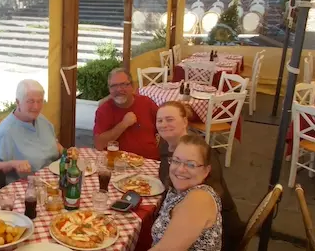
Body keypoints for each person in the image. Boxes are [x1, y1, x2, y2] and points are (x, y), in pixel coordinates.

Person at [156, 101, 245, 251]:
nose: (164, 124)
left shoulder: (199, 197)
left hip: (226, 234)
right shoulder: (167, 145)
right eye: (160, 120)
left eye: (170, 119)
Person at [150, 134, 222, 251]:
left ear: (206, 171)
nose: (180, 169)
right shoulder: (177, 189)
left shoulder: (199, 199)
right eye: (176, 161)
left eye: (190, 164)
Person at [0, 79, 63, 183]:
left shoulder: (42, 120)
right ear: (18, 102)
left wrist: (66, 152)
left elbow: (54, 144)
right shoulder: (5, 132)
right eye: (31, 101)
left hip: (55, 179)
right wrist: (12, 164)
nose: (36, 107)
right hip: (27, 187)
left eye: (40, 101)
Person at [93, 67, 159, 160]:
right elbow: (99, 144)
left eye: (123, 84)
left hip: (150, 162)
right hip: (119, 165)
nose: (119, 89)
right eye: (114, 86)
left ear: (132, 86)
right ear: (109, 89)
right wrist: (123, 124)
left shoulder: (147, 103)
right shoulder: (104, 110)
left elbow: (164, 128)